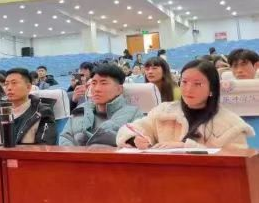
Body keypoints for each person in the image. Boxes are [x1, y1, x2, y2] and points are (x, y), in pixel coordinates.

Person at [118, 60, 255, 149]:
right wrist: (134, 139)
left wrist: (186, 148)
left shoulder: (231, 124)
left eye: (198, 84)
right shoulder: (164, 111)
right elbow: (133, 128)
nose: (188, 89)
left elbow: (236, 162)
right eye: (184, 82)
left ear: (212, 89)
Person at [60, 64, 143, 147]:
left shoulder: (134, 114)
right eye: (94, 83)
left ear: (119, 89)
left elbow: (134, 144)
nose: (97, 89)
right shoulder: (81, 109)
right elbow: (65, 137)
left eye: (103, 83)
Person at [0, 68, 56, 145]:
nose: (9, 88)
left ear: (28, 87)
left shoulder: (42, 112)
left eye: (14, 83)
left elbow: (45, 146)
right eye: (6, 84)